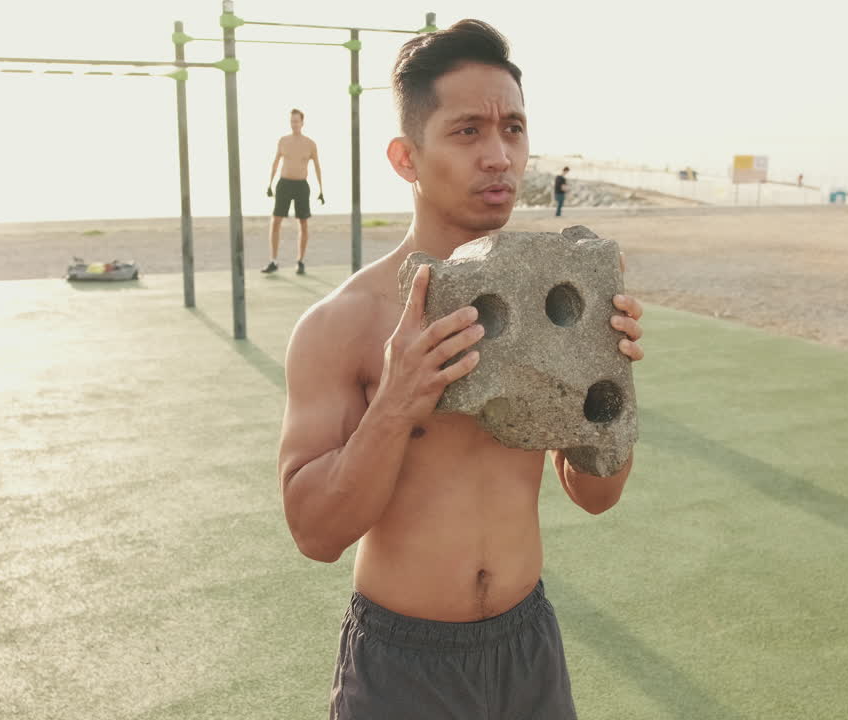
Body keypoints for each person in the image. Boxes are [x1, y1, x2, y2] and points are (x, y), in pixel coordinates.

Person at [277, 20, 645, 719]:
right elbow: (314, 533)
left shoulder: (557, 298)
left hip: (527, 645)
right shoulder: (342, 324)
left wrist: (609, 389)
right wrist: (397, 403)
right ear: (406, 158)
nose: (500, 156)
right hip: (402, 664)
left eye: (513, 128)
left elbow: (597, 496)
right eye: (468, 131)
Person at [264, 108, 324, 275]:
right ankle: (273, 261)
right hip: (284, 184)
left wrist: (321, 190)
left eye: (296, 121)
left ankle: (300, 261)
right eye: (292, 121)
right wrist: (269, 184)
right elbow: (275, 162)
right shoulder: (283, 141)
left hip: (301, 185)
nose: (294, 124)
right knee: (276, 221)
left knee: (303, 223)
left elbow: (317, 166)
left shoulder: (310, 144)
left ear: (302, 123)